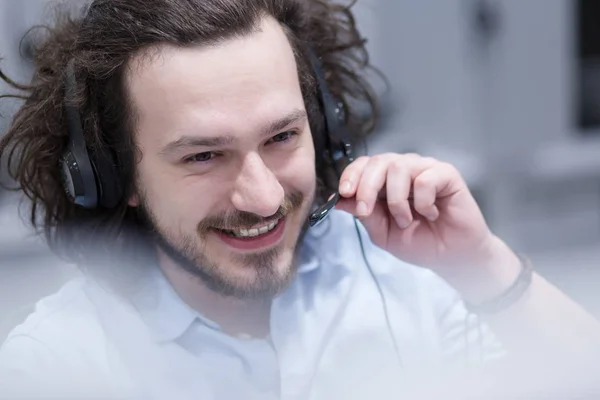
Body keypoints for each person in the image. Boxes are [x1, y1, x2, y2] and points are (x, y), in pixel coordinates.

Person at [0, 0, 598, 398]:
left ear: (324, 127)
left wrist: (480, 264)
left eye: (283, 136)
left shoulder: (405, 278)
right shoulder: (58, 364)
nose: (262, 198)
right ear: (112, 173)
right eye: (204, 156)